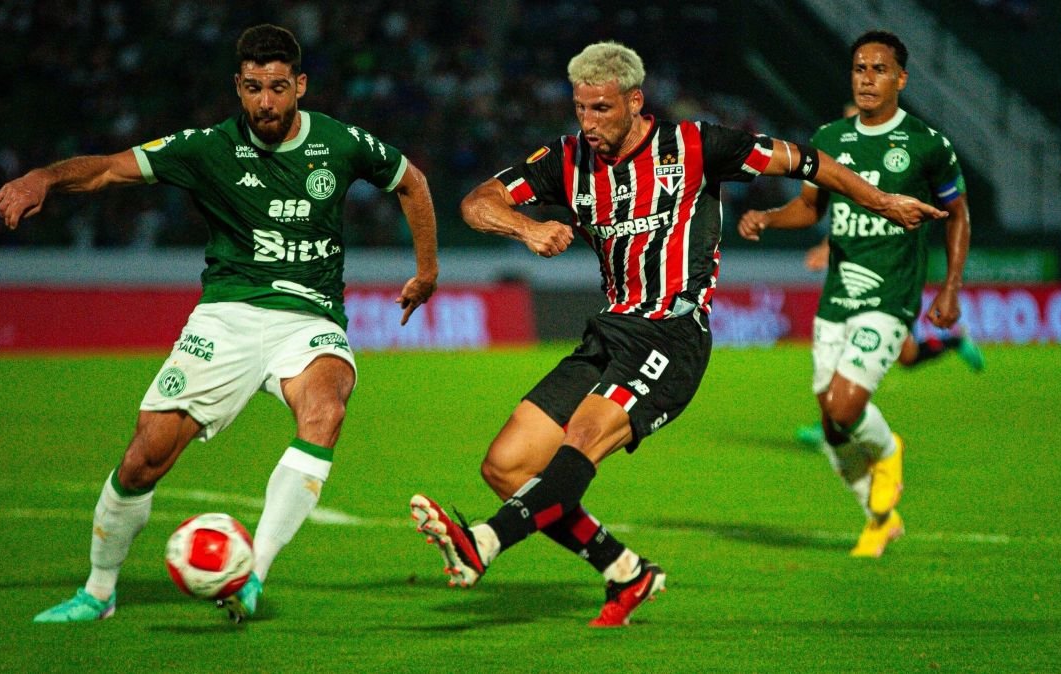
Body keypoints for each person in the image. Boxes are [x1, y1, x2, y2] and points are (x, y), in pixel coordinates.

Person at [406, 40, 946, 627]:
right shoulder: (566, 159)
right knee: (507, 467)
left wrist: (881, 200)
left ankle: (484, 542)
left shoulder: (697, 146)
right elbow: (477, 202)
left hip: (672, 334)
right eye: (580, 108)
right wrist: (527, 228)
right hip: (610, 333)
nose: (588, 123)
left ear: (635, 101)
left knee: (580, 440)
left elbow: (807, 162)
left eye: (601, 109)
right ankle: (625, 571)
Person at [0, 24, 439, 623]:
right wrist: (43, 177)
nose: (266, 102)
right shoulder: (207, 148)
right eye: (253, 88)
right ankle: (98, 592)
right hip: (227, 317)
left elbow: (412, 181)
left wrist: (426, 271)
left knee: (326, 409)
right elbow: (108, 170)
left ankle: (253, 575)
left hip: (309, 318)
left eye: (277, 87)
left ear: (300, 85)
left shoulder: (340, 142)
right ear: (238, 87)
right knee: (144, 458)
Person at [737, 30, 972, 557]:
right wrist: (769, 217)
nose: (867, 79)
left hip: (892, 293)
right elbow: (810, 209)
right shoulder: (829, 138)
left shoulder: (927, 144)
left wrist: (950, 287)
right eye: (860, 69)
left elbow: (958, 215)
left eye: (879, 69)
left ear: (901, 79)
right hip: (838, 296)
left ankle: (889, 451)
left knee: (845, 407)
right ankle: (879, 517)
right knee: (831, 426)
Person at [793, 234, 984, 449]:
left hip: (893, 292)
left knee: (906, 356)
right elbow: (844, 227)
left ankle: (954, 342)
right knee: (856, 353)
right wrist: (826, 248)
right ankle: (831, 425)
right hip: (863, 290)